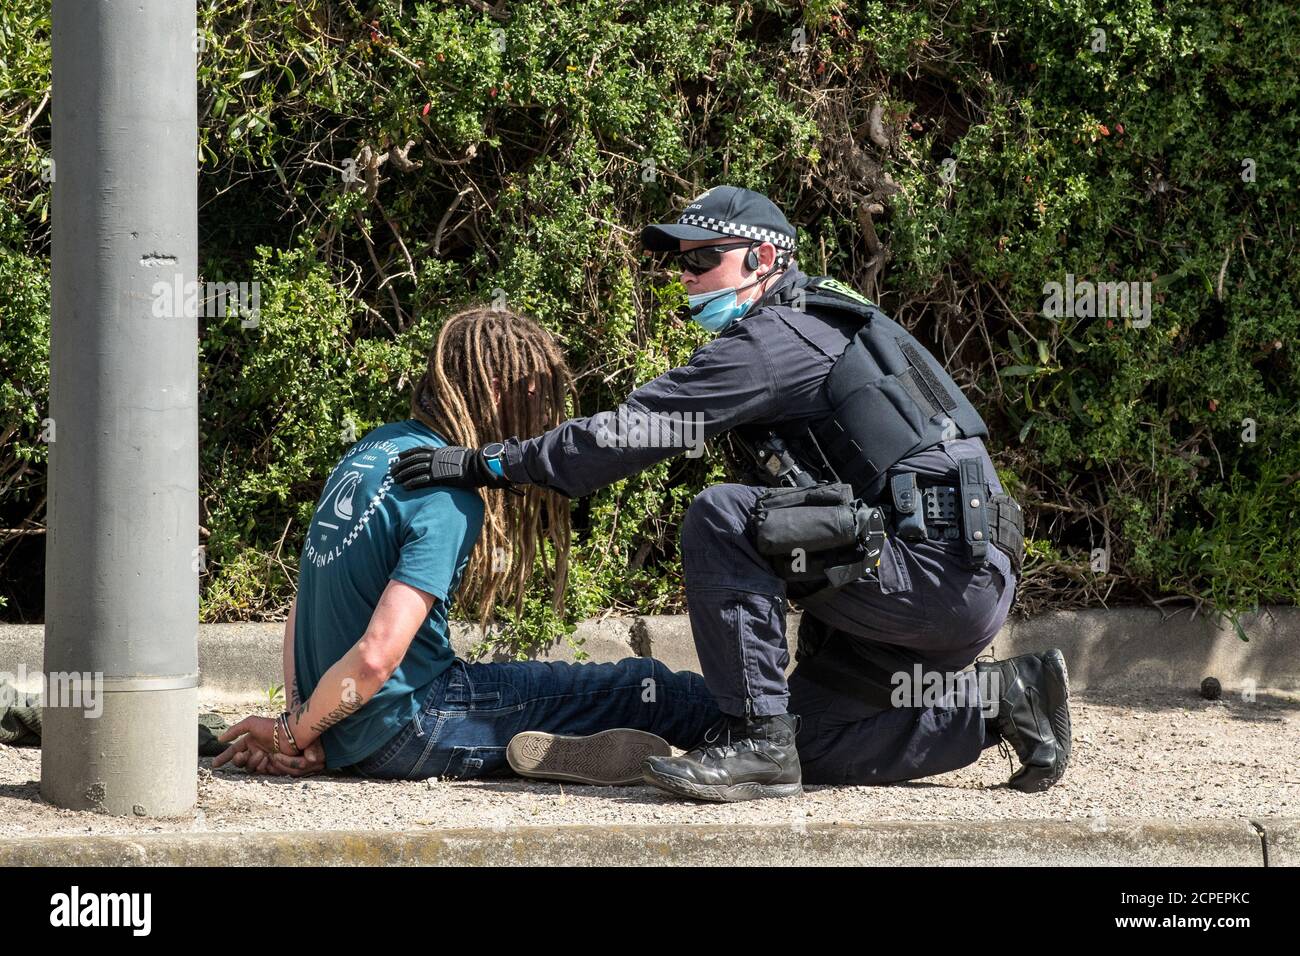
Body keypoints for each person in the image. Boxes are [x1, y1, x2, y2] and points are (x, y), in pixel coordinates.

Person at [388, 186, 1071, 802]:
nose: (685, 279)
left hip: (928, 575)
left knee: (723, 516)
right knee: (816, 741)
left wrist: (491, 463)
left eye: (704, 258)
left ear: (763, 258)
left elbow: (632, 431)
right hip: (939, 575)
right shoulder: (824, 319)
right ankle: (1002, 701)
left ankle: (756, 747)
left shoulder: (780, 337)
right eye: (680, 264)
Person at [213, 306, 721, 784]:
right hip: (412, 726)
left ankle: (559, 747)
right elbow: (373, 659)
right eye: (537, 397)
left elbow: (303, 600)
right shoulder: (447, 495)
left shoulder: (371, 449)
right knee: (644, 687)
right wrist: (291, 734)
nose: (544, 417)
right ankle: (773, 740)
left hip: (345, 730)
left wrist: (301, 724)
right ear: (498, 392)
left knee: (547, 690)